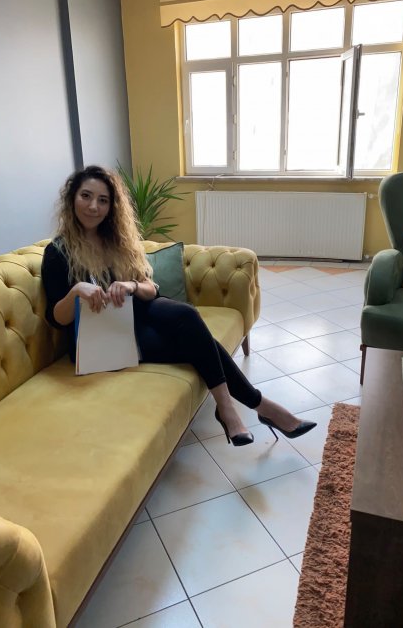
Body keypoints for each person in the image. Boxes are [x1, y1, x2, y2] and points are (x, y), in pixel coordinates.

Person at [41, 165, 316, 446]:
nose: (93, 206)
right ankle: (253, 408)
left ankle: (230, 409)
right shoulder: (58, 252)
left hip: (139, 311)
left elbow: (151, 289)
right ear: (72, 198)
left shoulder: (117, 241)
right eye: (86, 196)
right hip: (103, 337)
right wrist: (76, 291)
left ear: (112, 206)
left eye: (103, 200)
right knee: (198, 342)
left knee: (186, 315)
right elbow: (56, 319)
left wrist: (131, 286)